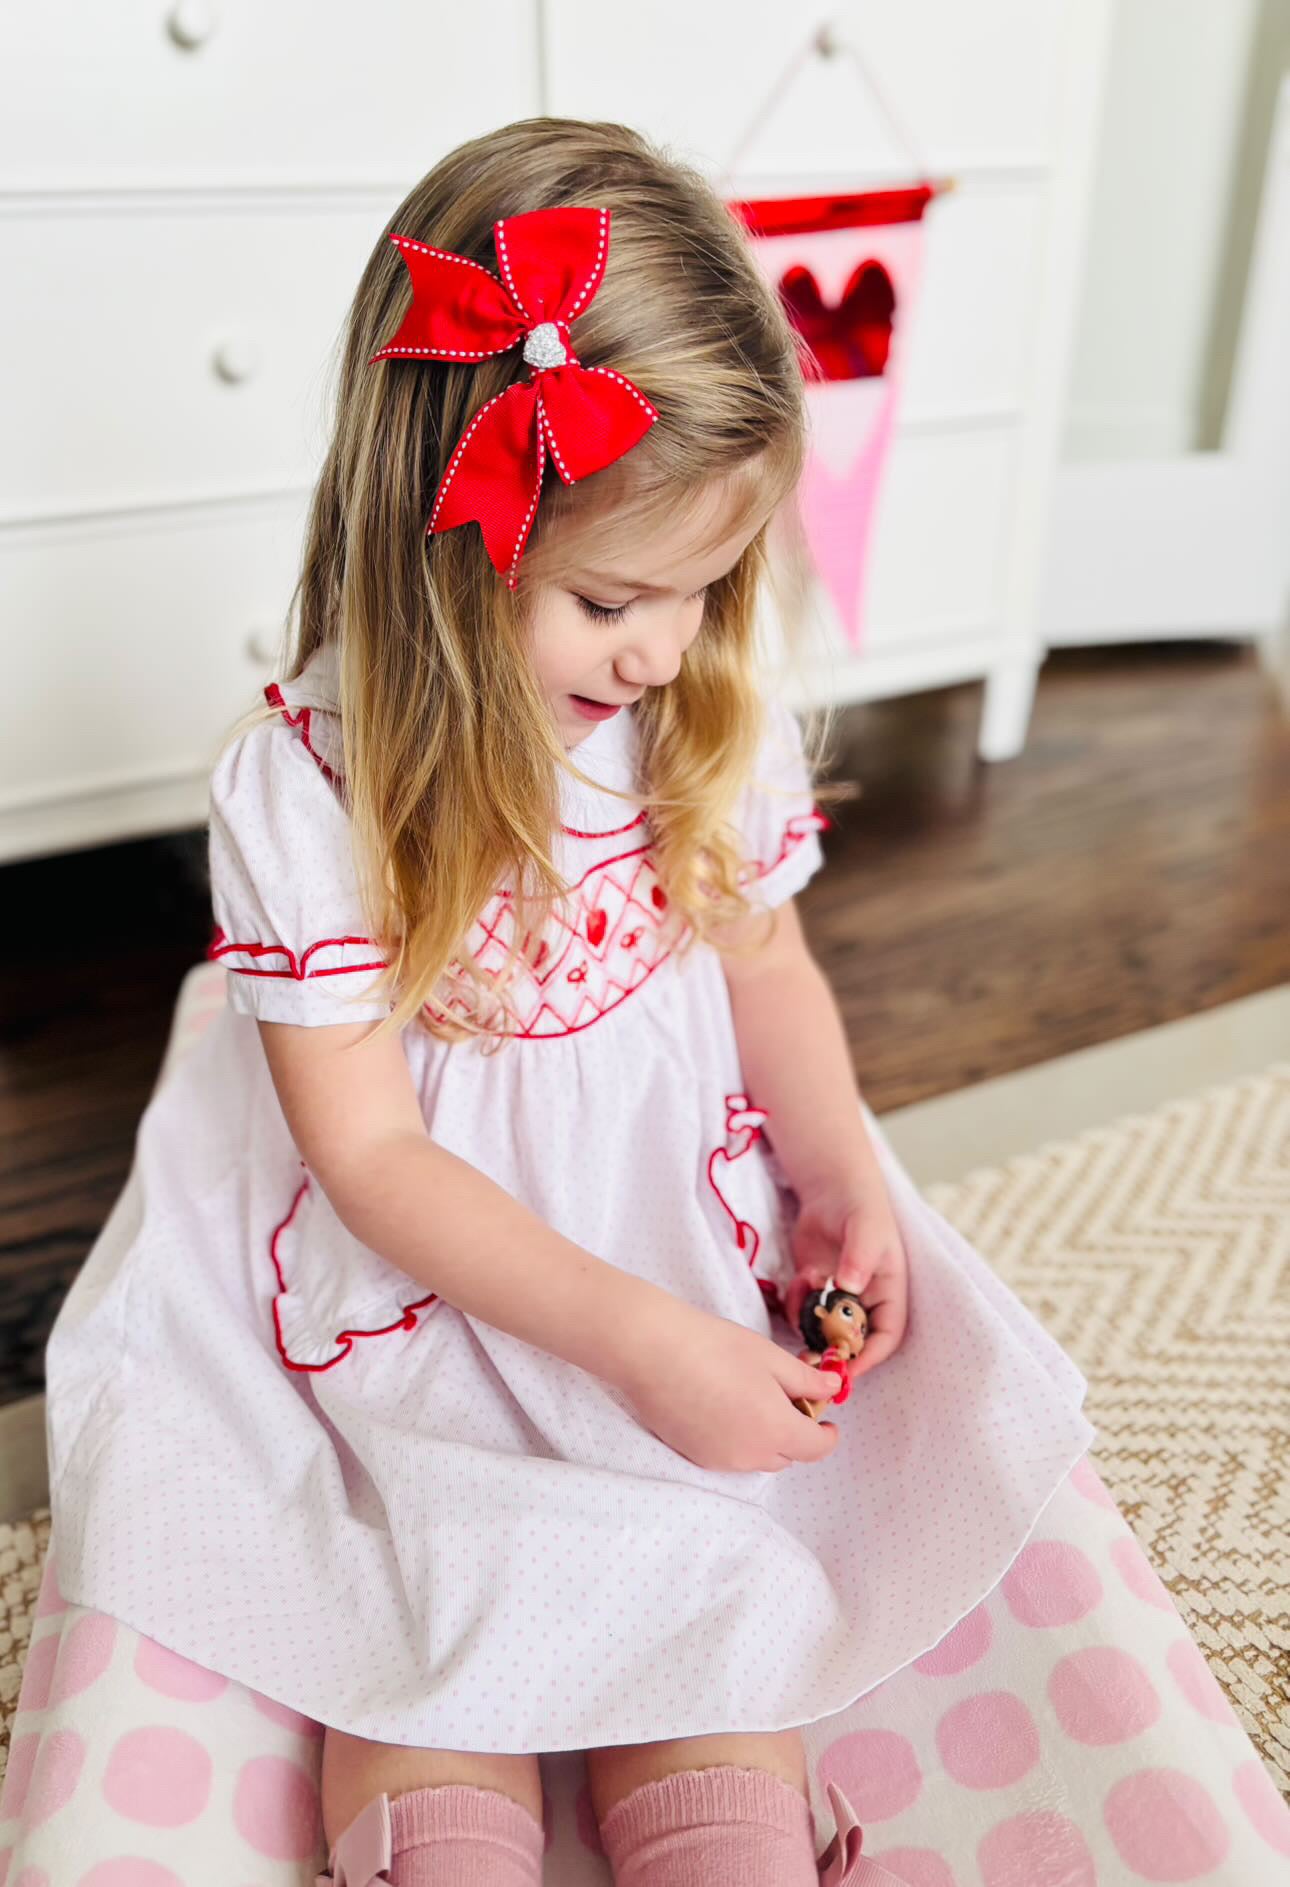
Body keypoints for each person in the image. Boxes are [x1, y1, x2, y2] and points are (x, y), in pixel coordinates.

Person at [44, 118, 1092, 1887]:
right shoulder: (312, 783)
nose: (666, 650)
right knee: (418, 1590)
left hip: (662, 1219)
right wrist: (639, 1345)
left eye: (707, 589)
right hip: (450, 1262)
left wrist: (832, 1165)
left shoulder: (692, 697)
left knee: (719, 1595)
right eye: (614, 598)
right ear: (445, 549)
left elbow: (760, 952)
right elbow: (370, 1160)